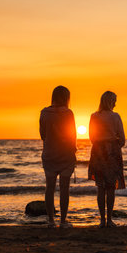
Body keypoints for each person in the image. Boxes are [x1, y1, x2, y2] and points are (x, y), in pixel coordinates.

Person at [39, 86, 77, 228]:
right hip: (66, 155)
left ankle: (50, 221)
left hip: (49, 154)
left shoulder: (44, 112)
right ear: (66, 98)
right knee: (64, 188)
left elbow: (43, 135)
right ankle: (62, 221)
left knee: (49, 187)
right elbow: (72, 135)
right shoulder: (68, 113)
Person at [88, 91, 126, 228]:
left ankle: (102, 220)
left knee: (100, 187)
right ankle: (109, 220)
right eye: (114, 100)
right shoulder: (115, 116)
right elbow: (122, 139)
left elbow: (91, 137)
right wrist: (114, 145)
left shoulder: (94, 116)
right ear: (110, 101)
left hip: (98, 151)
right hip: (112, 152)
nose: (115, 103)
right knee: (110, 188)